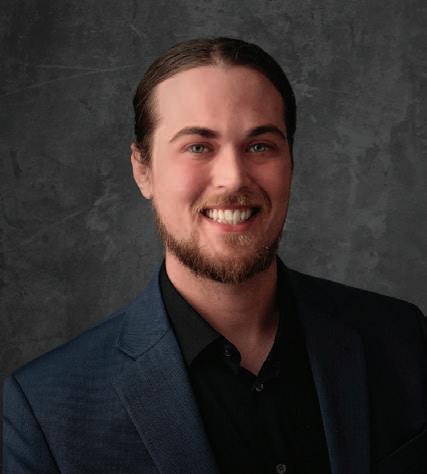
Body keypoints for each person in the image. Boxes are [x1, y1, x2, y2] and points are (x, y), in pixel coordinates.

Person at [3, 37, 426, 474]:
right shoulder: (46, 411)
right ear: (143, 170)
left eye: (260, 146)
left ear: (291, 161)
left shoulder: (402, 340)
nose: (233, 178)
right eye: (198, 147)